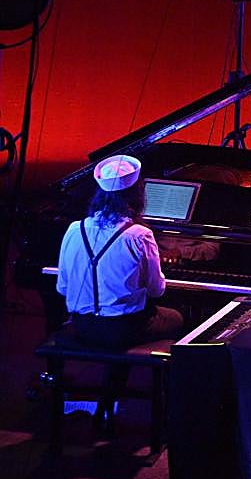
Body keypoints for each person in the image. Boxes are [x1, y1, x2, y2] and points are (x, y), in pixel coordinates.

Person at [56, 155, 184, 425]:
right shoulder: (139, 234)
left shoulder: (73, 229)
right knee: (178, 318)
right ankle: (171, 413)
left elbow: (62, 286)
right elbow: (157, 289)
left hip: (82, 326)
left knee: (127, 320)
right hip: (123, 329)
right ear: (136, 194)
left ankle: (110, 399)